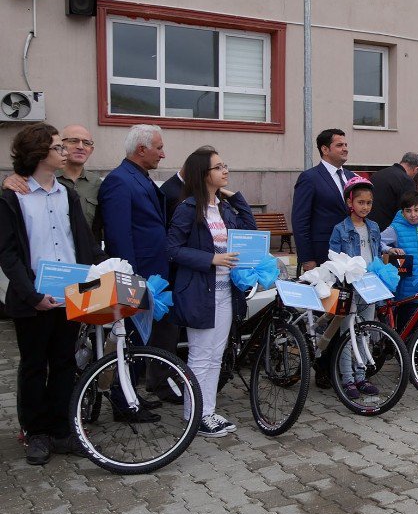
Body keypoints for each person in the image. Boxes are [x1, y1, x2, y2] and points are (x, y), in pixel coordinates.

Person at [0, 123, 107, 465]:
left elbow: (83, 242)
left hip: (70, 294)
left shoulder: (67, 194)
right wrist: (31, 294)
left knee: (64, 363)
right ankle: (36, 433)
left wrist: (100, 275)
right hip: (33, 299)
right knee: (34, 366)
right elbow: (8, 253)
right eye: (58, 147)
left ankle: (62, 430)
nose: (64, 152)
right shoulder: (12, 196)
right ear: (39, 152)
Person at [167, 147, 256, 437]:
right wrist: (210, 259)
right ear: (203, 174)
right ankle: (195, 415)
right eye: (218, 167)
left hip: (225, 291)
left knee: (216, 355)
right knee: (200, 355)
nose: (225, 171)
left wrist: (235, 197)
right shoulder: (188, 208)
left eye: (224, 165)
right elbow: (172, 249)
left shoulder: (224, 207)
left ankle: (207, 411)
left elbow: (250, 232)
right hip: (199, 291)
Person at [99, 124, 180, 405]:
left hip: (154, 272)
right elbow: (119, 234)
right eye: (159, 148)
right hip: (137, 274)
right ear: (141, 149)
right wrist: (130, 278)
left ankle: (133, 394)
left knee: (142, 340)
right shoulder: (119, 180)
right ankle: (124, 400)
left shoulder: (140, 178)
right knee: (131, 339)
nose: (163, 154)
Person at [329, 176, 404, 398]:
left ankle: (362, 376)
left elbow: (377, 245)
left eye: (369, 203)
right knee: (347, 332)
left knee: (366, 332)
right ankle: (348, 379)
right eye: (360, 202)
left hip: (369, 285)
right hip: (349, 286)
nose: (365, 207)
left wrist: (390, 250)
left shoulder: (373, 227)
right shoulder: (340, 229)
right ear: (350, 203)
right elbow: (333, 257)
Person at [4, 124, 101, 233]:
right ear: (61, 145)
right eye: (73, 141)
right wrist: (8, 181)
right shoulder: (36, 180)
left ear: (91, 150)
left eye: (86, 143)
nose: (80, 147)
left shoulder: (97, 183)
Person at [291, 128, 355, 274]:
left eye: (346, 145)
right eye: (339, 145)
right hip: (322, 253)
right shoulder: (310, 178)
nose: (345, 149)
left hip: (351, 253)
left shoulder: (351, 176)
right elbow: (300, 220)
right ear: (325, 149)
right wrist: (307, 257)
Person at [381, 191, 418, 331]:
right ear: (402, 212)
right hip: (405, 291)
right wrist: (389, 249)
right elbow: (376, 240)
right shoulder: (396, 228)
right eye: (408, 211)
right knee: (405, 329)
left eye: (417, 210)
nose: (413, 214)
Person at [369, 152, 418, 231]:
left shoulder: (377, 175)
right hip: (390, 231)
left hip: (369, 227)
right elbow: (408, 211)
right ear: (416, 169)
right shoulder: (407, 181)